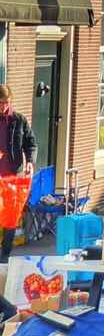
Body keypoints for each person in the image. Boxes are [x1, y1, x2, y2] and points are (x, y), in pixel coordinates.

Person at [0, 85, 34, 262]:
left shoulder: (19, 120)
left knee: (10, 217)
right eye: (0, 103)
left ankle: (5, 255)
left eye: (6, 103)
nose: (3, 107)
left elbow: (30, 143)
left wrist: (29, 162)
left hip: (12, 177)